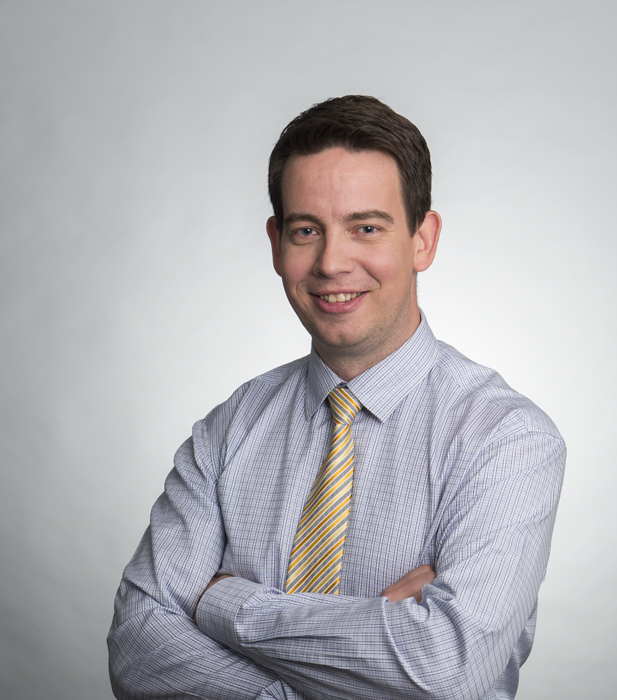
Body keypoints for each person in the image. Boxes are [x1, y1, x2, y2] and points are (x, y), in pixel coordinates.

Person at [108, 95, 566, 700]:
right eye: (306, 231)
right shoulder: (228, 430)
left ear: (423, 240)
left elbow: (445, 671)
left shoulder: (506, 438)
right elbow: (137, 651)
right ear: (276, 243)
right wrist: (368, 647)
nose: (331, 262)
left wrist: (224, 605)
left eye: (366, 228)